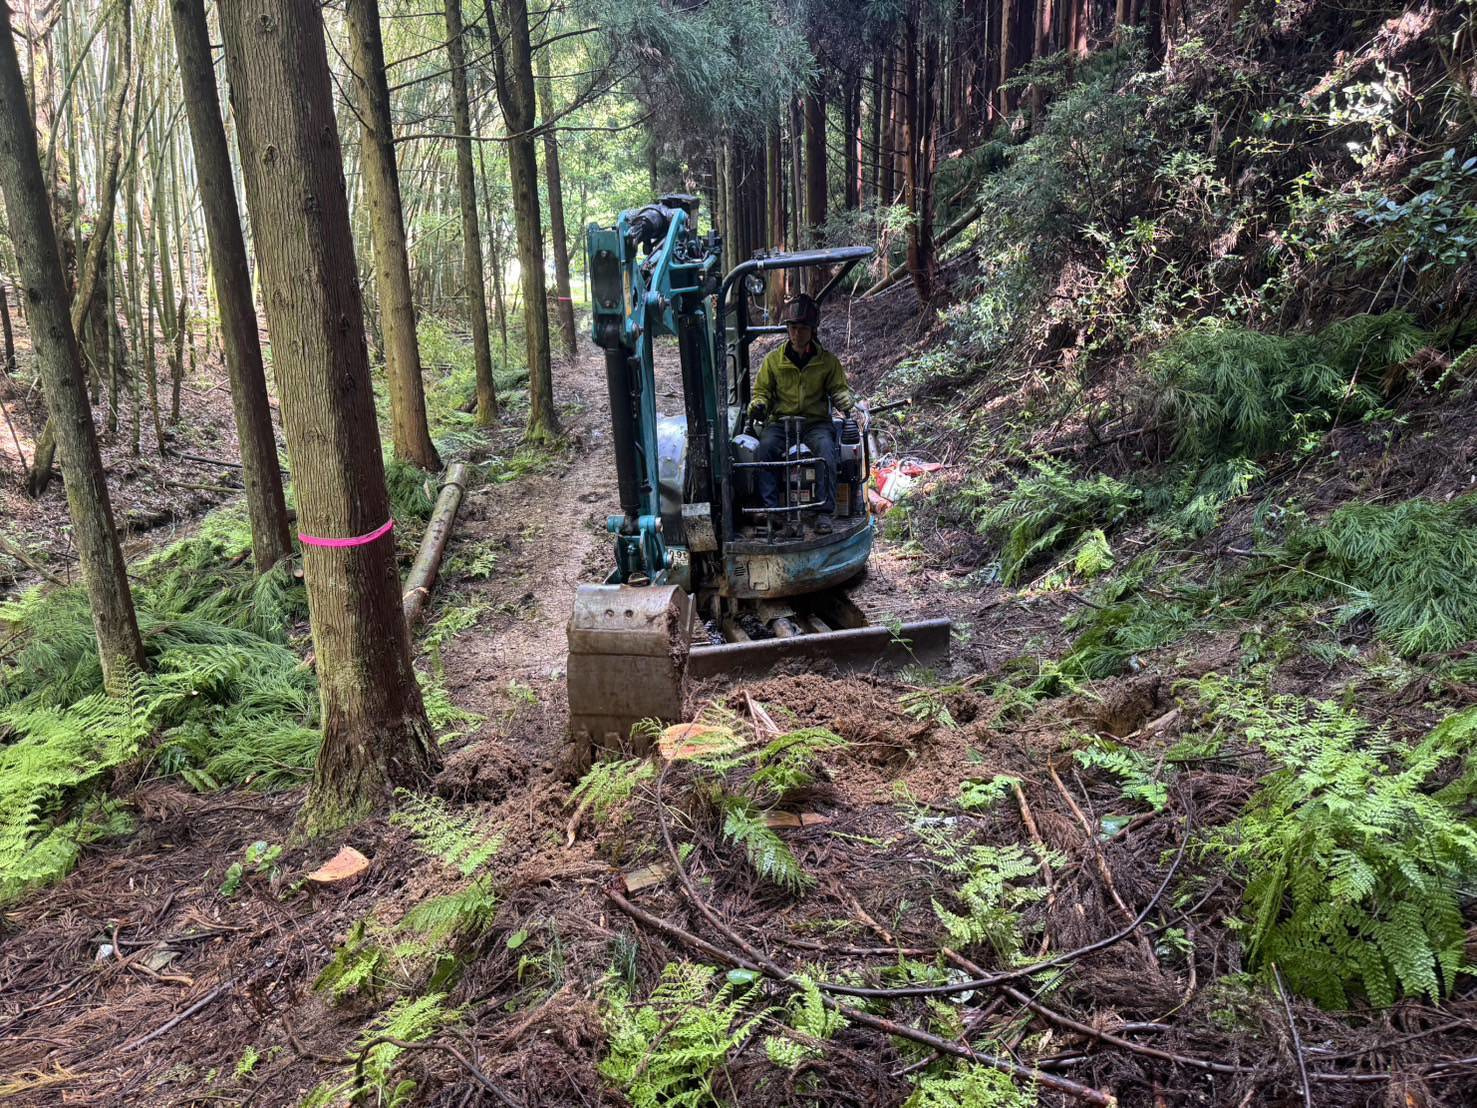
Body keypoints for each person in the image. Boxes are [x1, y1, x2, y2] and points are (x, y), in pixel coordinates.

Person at [747, 293, 862, 534]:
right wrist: (758, 404)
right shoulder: (773, 361)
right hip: (781, 422)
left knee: (826, 452)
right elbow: (762, 391)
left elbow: (839, 388)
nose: (796, 333)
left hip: (814, 422)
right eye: (792, 328)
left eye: (802, 328)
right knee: (765, 448)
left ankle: (823, 513)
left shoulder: (827, 362)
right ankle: (772, 512)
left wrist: (843, 398)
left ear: (812, 330)